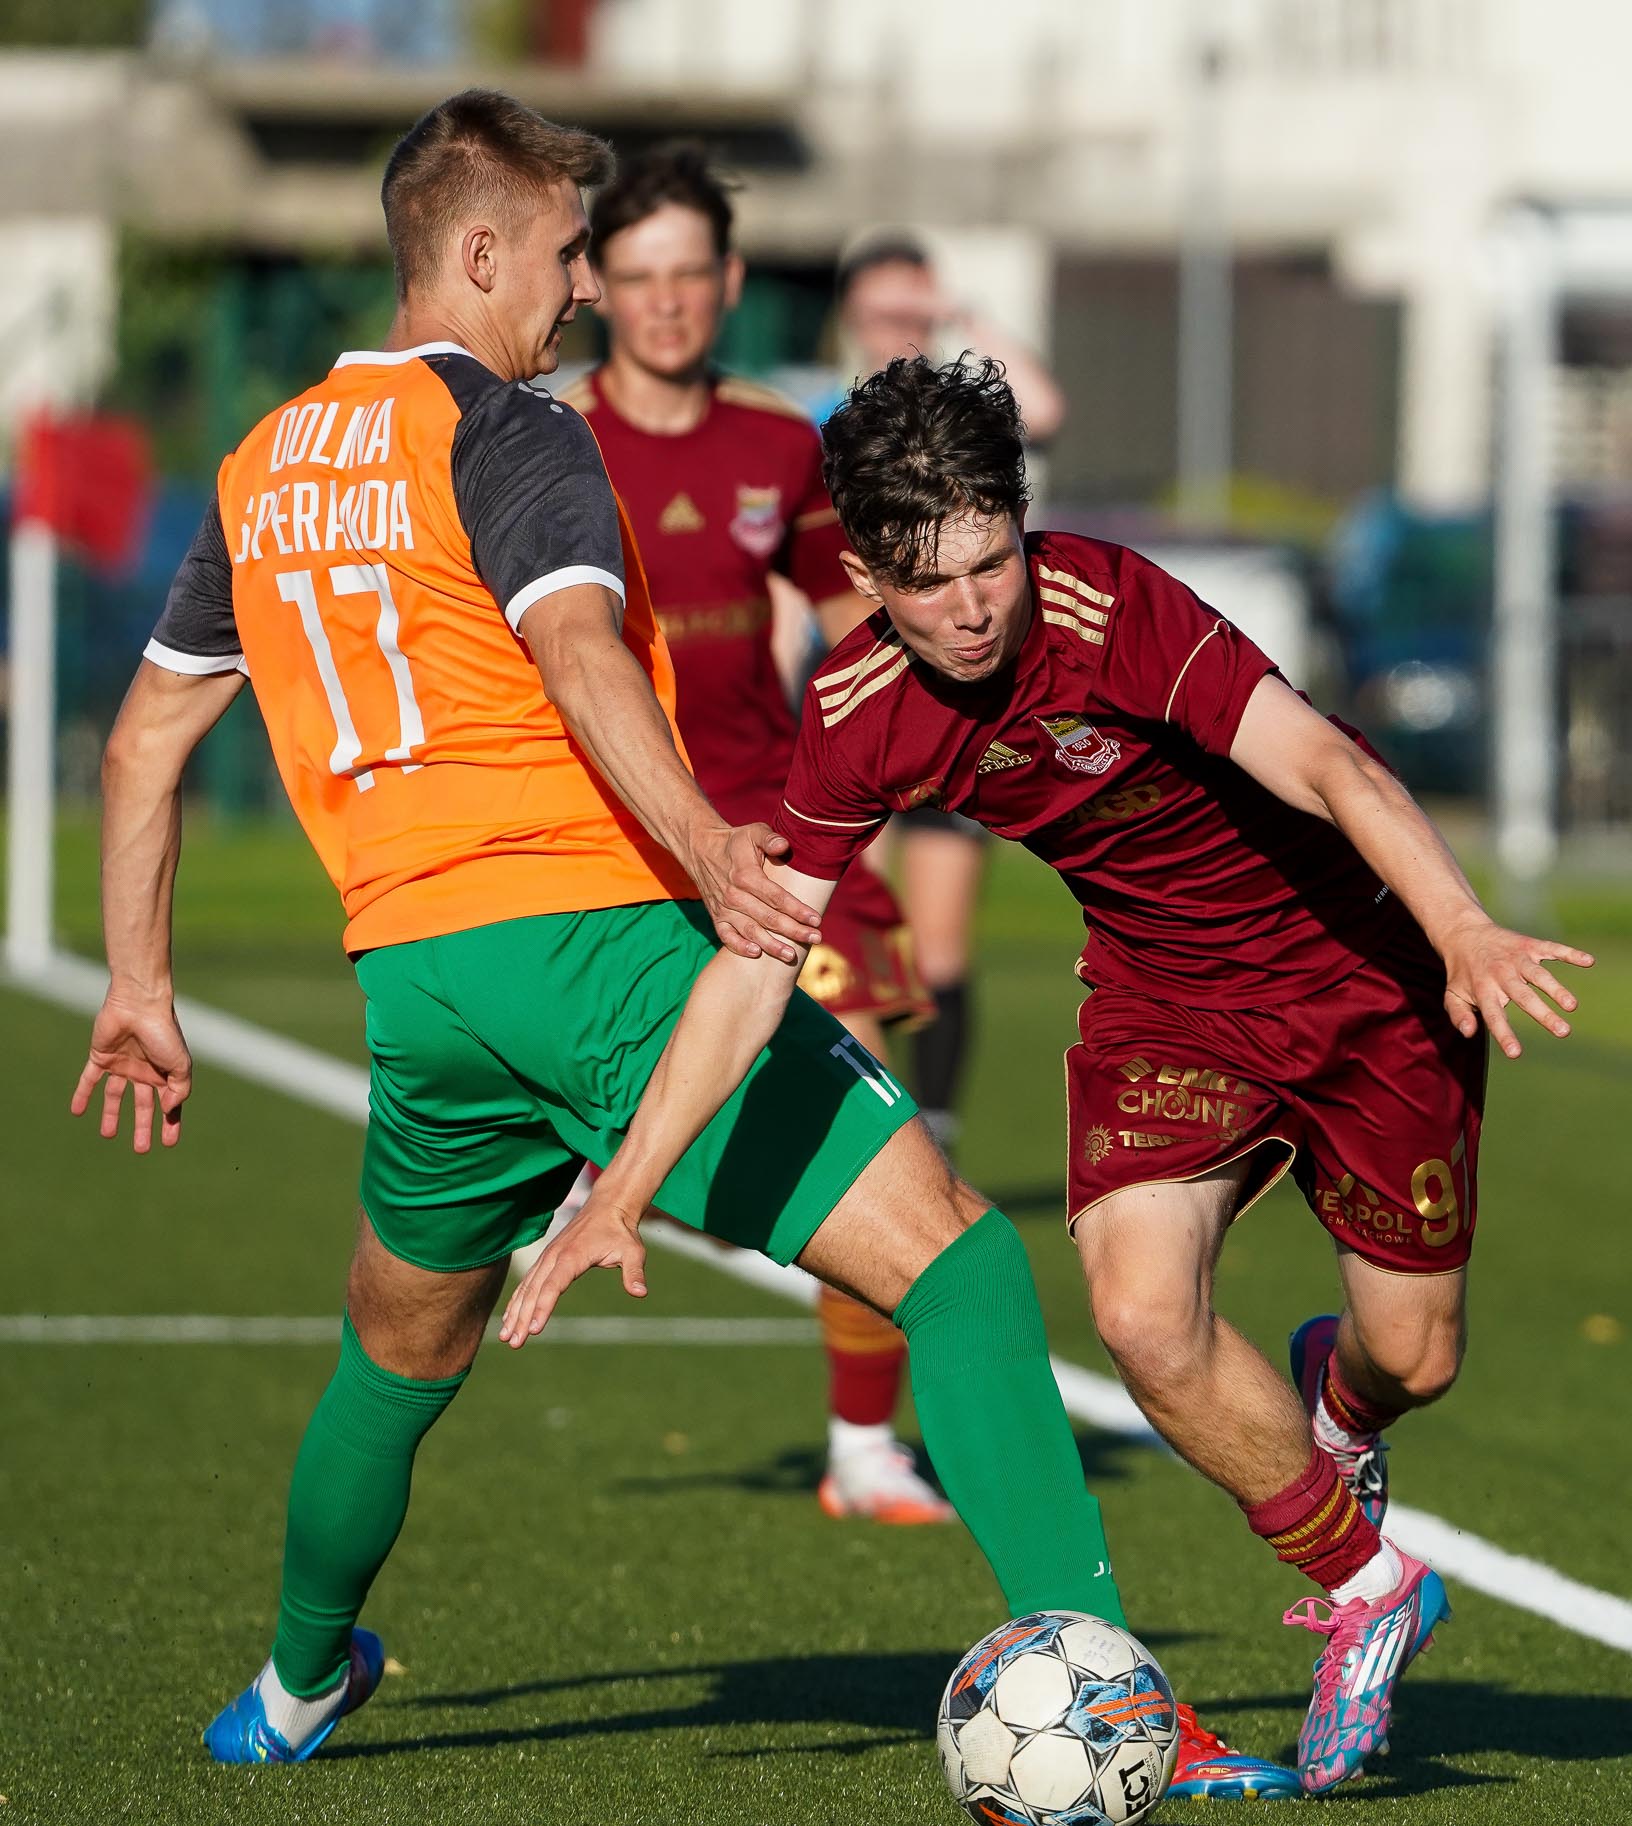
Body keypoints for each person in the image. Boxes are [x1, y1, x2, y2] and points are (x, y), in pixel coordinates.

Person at [68, 93, 1136, 1772]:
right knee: (961, 1261)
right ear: (475, 250)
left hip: (415, 986)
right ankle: (1113, 1683)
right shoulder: (511, 430)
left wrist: (141, 985)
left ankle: (286, 1691)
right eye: (567, 251)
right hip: (594, 949)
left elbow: (141, 742)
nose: (576, 288)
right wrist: (715, 849)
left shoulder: (262, 465)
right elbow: (573, 655)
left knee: (397, 1345)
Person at [513, 355, 1593, 1796]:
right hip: (1166, 996)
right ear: (866, 578)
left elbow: (1331, 765)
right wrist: (620, 1193)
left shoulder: (1109, 607)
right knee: (1142, 1317)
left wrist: (1458, 924)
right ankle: (1369, 1586)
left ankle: (1340, 1396)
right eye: (928, 578)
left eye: (990, 560)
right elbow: (753, 964)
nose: (970, 606)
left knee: (1417, 1356)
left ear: (1023, 531)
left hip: (1368, 969)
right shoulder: (859, 705)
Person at [552, 143, 949, 1526]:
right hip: (609, 847)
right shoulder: (546, 439)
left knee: (878, 1127)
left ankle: (862, 1447)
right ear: (598, 285)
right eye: (638, 276)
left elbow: (851, 622)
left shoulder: (784, 442)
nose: (665, 304)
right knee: (531, 1160)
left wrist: (878, 775)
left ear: (727, 282)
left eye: (690, 277)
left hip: (782, 840)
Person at [830, 236, 1068, 1151]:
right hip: (865, 711)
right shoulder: (822, 414)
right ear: (851, 312)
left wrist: (964, 323)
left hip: (958, 709)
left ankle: (936, 1133)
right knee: (856, 945)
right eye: (884, 311)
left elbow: (1044, 409)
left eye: (913, 308)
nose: (900, 327)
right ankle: (871, 1142)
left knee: (937, 949)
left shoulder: (966, 419)